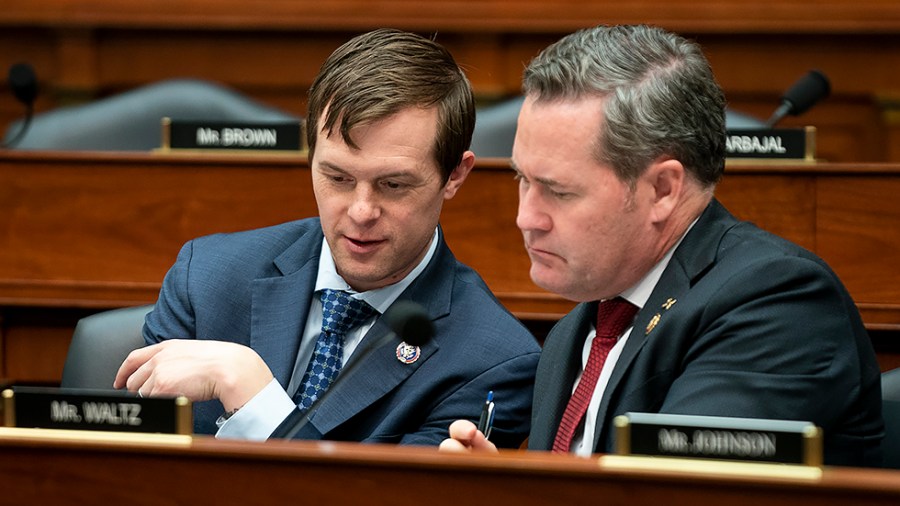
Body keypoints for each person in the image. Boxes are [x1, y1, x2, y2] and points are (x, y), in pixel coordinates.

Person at [441, 24, 883, 466]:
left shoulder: (778, 303)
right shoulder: (573, 333)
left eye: (559, 192)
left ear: (663, 189)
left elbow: (681, 494)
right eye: (523, 179)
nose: (526, 218)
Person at [114, 28, 540, 448]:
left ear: (454, 175)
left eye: (393, 185)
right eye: (337, 177)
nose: (360, 212)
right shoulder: (206, 279)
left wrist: (251, 394)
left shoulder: (493, 363)